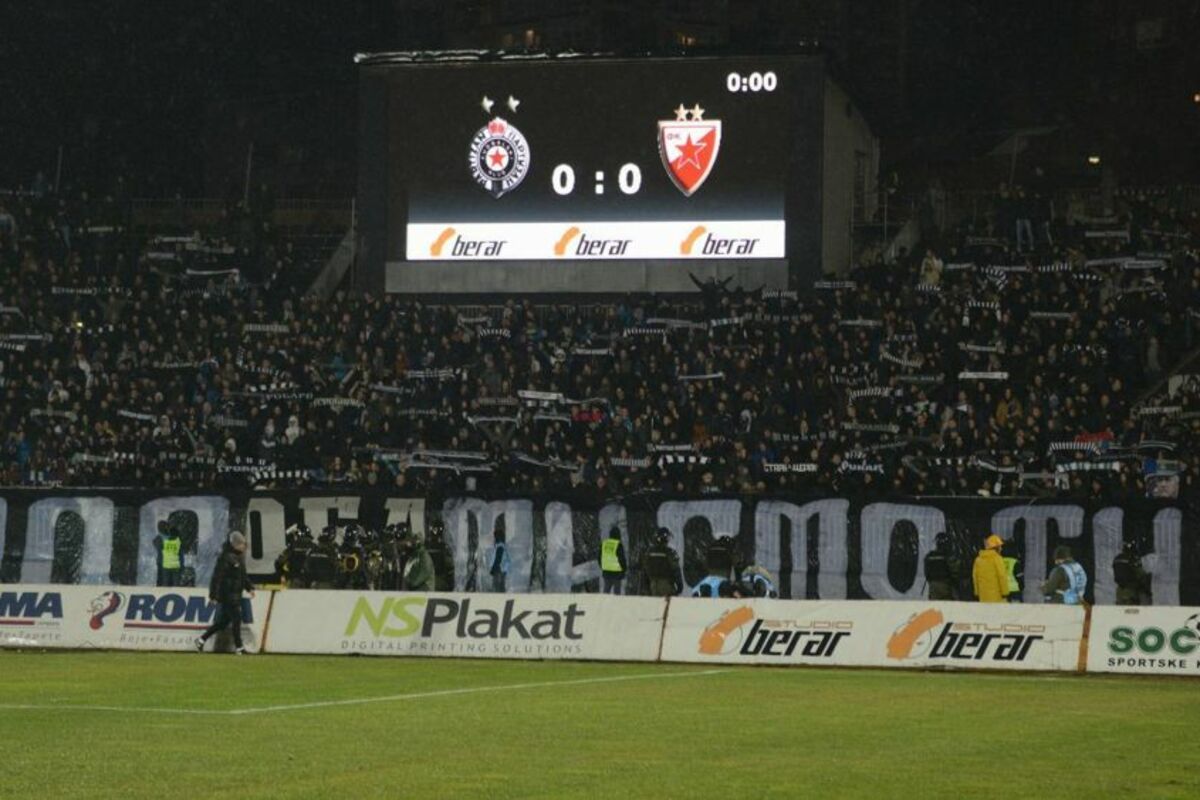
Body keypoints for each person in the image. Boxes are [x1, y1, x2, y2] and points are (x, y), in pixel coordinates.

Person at [194, 532, 256, 654]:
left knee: (222, 623)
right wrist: (213, 595)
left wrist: (249, 587)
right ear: (235, 544)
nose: (244, 546)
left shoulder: (238, 558)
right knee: (237, 619)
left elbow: (243, 577)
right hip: (228, 595)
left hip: (234, 595)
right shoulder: (226, 558)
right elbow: (217, 577)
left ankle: (201, 640)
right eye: (242, 544)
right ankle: (239, 648)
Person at [641, 527, 683, 597]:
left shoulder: (649, 552)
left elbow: (645, 571)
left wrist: (646, 588)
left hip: (653, 585)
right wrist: (679, 586)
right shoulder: (670, 552)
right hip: (667, 586)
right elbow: (676, 569)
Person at [972, 534, 1009, 603]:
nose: (1001, 549)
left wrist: (977, 593)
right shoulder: (997, 559)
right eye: (1000, 546)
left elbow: (975, 577)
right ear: (996, 548)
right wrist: (1005, 593)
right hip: (997, 597)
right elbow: (1002, 576)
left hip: (983, 596)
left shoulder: (978, 560)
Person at [1113, 541, 1151, 606]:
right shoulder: (1132, 558)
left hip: (1119, 591)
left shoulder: (1117, 558)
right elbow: (1140, 573)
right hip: (1131, 591)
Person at [924, 532, 959, 600]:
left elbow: (927, 573)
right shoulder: (949, 556)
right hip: (947, 586)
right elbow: (955, 572)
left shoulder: (929, 556)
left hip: (933, 586)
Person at [154, 520, 184, 587]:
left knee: (163, 581)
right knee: (173, 582)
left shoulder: (161, 538)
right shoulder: (175, 539)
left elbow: (157, 545)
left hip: (163, 562)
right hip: (173, 563)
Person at [600, 526, 627, 595]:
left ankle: (603, 602)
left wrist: (603, 566)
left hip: (606, 571)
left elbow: (599, 557)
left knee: (606, 591)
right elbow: (622, 559)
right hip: (617, 573)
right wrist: (624, 570)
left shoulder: (604, 544)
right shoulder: (618, 545)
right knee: (617, 594)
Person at [486, 526, 510, 593]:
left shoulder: (500, 547)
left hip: (499, 569)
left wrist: (493, 569)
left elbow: (498, 560)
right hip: (501, 569)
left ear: (498, 538)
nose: (494, 539)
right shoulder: (501, 547)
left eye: (495, 537)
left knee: (497, 587)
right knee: (500, 586)